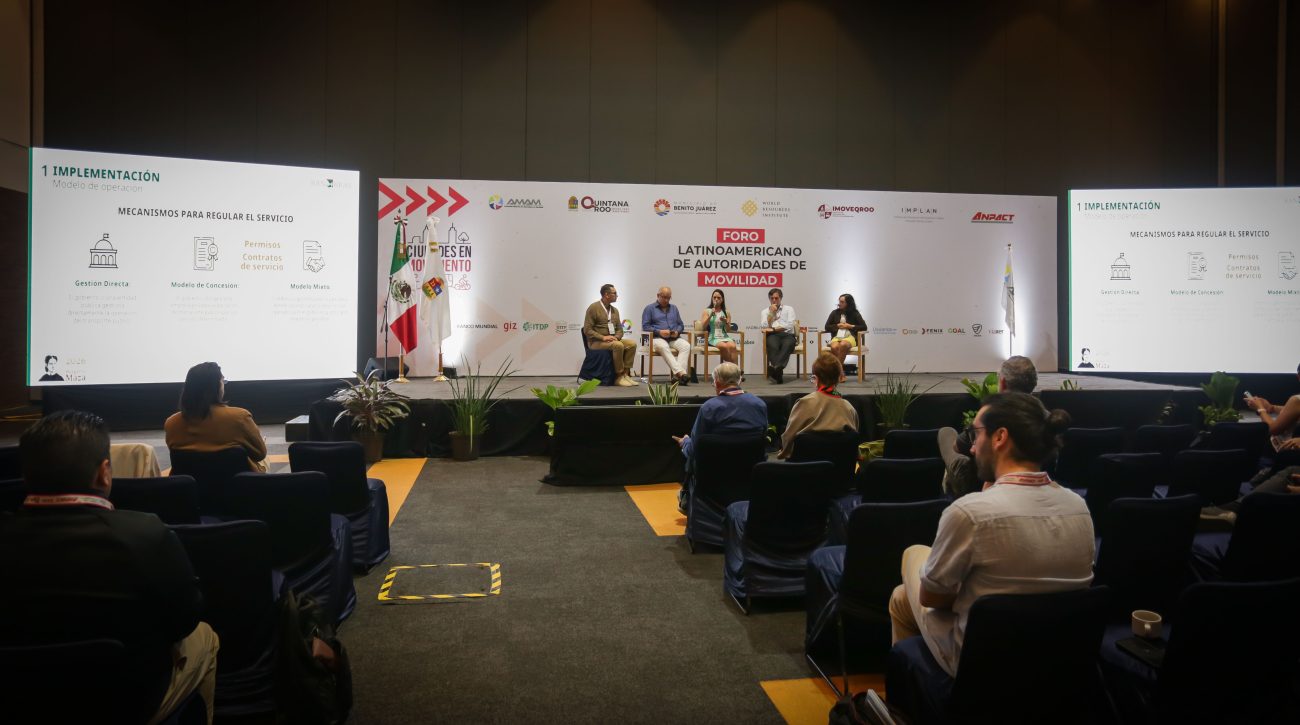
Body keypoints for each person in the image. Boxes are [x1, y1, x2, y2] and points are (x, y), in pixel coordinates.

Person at [0, 411, 219, 724]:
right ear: (104, 473)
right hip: (129, 702)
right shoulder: (145, 534)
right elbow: (185, 617)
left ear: (26, 475)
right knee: (206, 636)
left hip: (17, 700)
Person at [888, 393, 1093, 677]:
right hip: (1057, 660)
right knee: (901, 599)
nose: (971, 447)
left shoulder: (969, 513)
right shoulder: (1079, 508)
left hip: (983, 662)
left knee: (913, 554)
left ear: (1000, 437)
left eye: (976, 434)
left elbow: (932, 598)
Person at [937, 355, 1038, 498]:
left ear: (1002, 383)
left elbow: (958, 447)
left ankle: (953, 476)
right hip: (1029, 487)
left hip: (976, 483)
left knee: (946, 433)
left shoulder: (991, 415)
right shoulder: (1044, 418)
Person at [673, 362, 768, 511]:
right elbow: (763, 438)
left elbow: (694, 449)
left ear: (717, 382)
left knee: (690, 451)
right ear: (739, 380)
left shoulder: (709, 408)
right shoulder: (759, 404)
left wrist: (685, 442)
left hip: (714, 473)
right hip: (749, 470)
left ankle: (686, 498)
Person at [164, 362, 268, 471]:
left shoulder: (171, 423)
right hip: (236, 481)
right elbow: (260, 454)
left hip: (193, 481)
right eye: (223, 381)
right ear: (216, 386)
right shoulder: (239, 417)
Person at [778, 352, 858, 459]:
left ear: (816, 378)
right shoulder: (849, 409)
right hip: (839, 468)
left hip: (804, 467)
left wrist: (784, 453)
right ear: (839, 378)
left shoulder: (804, 403)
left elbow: (788, 438)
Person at [583, 283, 639, 387]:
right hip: (596, 342)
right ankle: (619, 376)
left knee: (632, 344)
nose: (617, 295)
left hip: (612, 340)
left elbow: (619, 329)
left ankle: (626, 374)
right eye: (615, 293)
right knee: (618, 345)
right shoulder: (593, 308)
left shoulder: (615, 310)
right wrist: (603, 337)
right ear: (606, 295)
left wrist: (616, 337)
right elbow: (587, 330)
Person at [641, 286, 690, 385]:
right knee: (663, 346)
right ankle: (681, 373)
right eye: (664, 297)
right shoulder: (649, 308)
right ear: (658, 295)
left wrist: (677, 332)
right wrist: (659, 332)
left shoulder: (674, 308)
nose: (666, 300)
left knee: (686, 345)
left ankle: (677, 376)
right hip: (656, 338)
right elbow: (645, 326)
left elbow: (681, 325)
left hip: (673, 338)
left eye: (668, 298)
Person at [1245, 362, 1300, 444]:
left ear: (1298, 376)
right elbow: (1294, 411)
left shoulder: (1296, 400)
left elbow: (1273, 429)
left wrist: (1260, 409)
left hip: (1284, 448)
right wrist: (1272, 408)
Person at [760, 287, 798, 384]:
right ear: (769, 299)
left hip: (787, 335)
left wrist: (774, 329)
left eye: (776, 298)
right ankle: (778, 372)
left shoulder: (789, 309)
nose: (774, 300)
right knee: (772, 346)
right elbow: (764, 326)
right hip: (772, 335)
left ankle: (775, 368)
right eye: (772, 298)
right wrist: (771, 314)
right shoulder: (765, 311)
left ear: (780, 298)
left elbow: (790, 325)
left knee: (788, 344)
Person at [822, 294, 868, 370]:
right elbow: (827, 326)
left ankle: (837, 371)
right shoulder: (834, 313)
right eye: (839, 301)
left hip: (850, 337)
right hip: (837, 337)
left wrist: (850, 326)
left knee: (843, 344)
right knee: (834, 346)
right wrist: (837, 326)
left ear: (848, 303)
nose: (839, 303)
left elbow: (864, 327)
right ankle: (840, 372)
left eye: (842, 302)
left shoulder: (855, 313)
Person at [698, 288, 739, 366]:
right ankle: (735, 368)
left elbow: (727, 330)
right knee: (724, 346)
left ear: (722, 300)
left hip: (724, 336)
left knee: (732, 346)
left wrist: (725, 322)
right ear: (712, 299)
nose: (716, 299)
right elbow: (703, 326)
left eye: (718, 298)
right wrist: (710, 315)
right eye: (714, 297)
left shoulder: (726, 312)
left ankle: (735, 370)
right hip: (712, 337)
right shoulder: (707, 311)